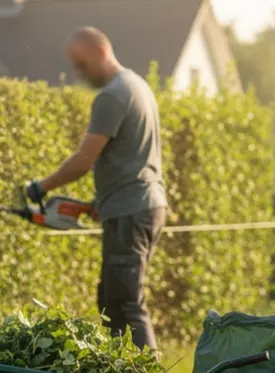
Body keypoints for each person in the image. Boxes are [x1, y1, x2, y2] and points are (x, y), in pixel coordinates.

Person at [24, 27, 168, 349]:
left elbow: (83, 160)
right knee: (110, 300)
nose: (80, 74)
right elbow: (131, 158)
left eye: (82, 65)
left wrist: (40, 187)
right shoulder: (138, 86)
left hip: (131, 209)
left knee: (126, 301)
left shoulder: (112, 96)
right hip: (142, 204)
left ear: (100, 52)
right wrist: (99, 203)